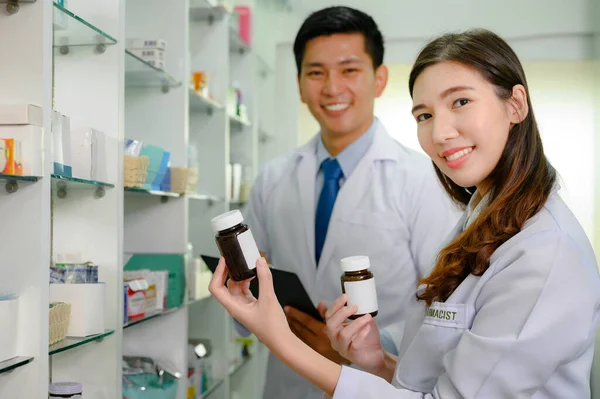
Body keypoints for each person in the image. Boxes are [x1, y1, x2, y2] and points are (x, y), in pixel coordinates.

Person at [210, 28, 600, 398]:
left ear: (515, 105)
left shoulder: (545, 253)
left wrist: (280, 340)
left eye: (460, 102)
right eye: (424, 115)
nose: (441, 132)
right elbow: (435, 364)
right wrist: (379, 361)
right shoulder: (482, 215)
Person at [237, 5, 459, 399]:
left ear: (379, 78)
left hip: (374, 384)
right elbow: (249, 295)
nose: (331, 87)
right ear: (300, 83)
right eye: (316, 72)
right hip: (288, 384)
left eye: (349, 69)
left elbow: (445, 308)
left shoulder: (425, 180)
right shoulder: (273, 179)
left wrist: (360, 350)